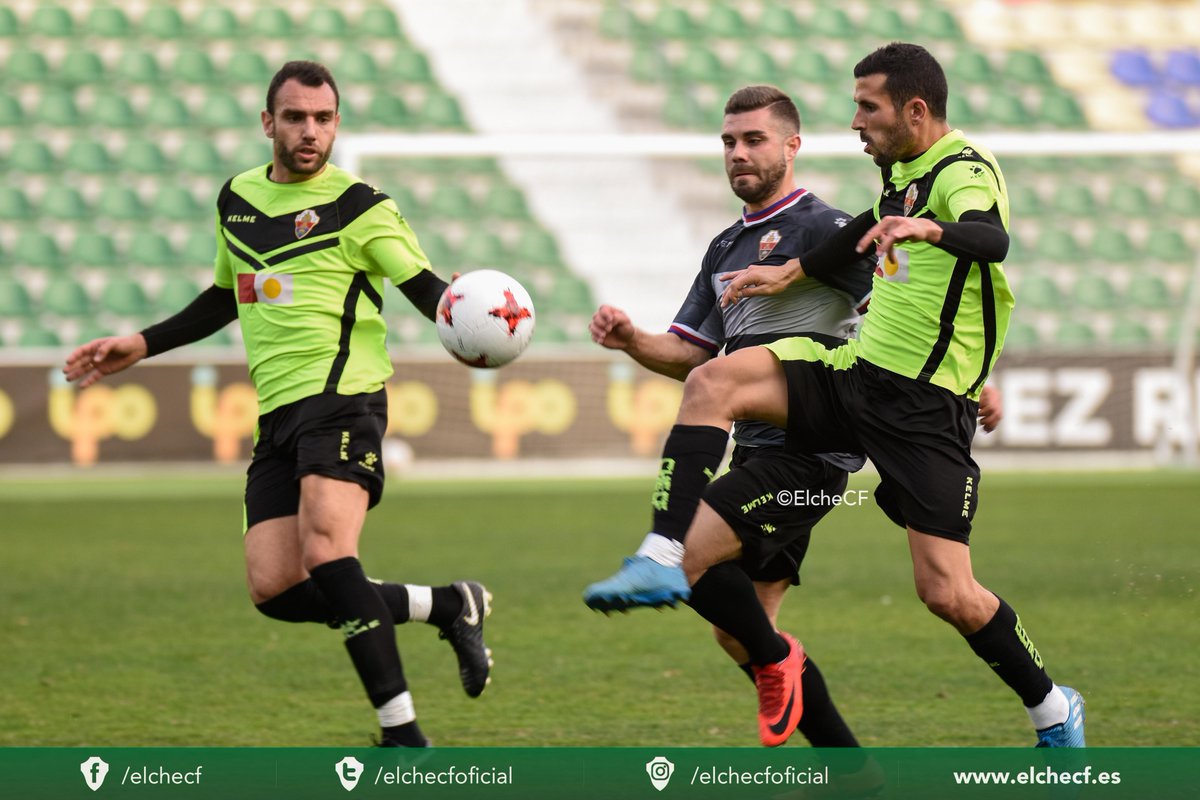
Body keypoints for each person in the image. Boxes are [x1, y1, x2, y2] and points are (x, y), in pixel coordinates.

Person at [636, 42, 1084, 749]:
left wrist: (927, 228)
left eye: (866, 106)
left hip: (925, 408)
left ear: (914, 108)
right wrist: (789, 275)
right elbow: (859, 237)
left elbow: (991, 240)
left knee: (947, 594)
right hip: (857, 377)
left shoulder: (963, 168)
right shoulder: (897, 172)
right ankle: (663, 550)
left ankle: (1053, 708)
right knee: (715, 381)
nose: (855, 121)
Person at [62, 61, 491, 747]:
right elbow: (226, 295)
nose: (309, 131)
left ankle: (402, 737)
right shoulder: (235, 199)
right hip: (278, 415)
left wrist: (459, 305)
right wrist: (141, 343)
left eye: (323, 119)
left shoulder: (361, 206)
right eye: (295, 117)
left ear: (337, 125)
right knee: (277, 588)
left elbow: (424, 288)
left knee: (327, 550)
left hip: (345, 399)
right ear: (269, 123)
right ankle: (445, 604)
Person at [585, 85, 875, 749]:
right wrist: (633, 340)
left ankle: (777, 659)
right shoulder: (723, 249)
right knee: (738, 632)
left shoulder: (825, 232)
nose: (738, 153)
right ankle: (848, 768)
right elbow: (693, 354)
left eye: (753, 140)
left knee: (684, 558)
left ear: (791, 147)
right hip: (756, 452)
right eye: (728, 142)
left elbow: (896, 312)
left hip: (811, 451)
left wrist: (970, 387)